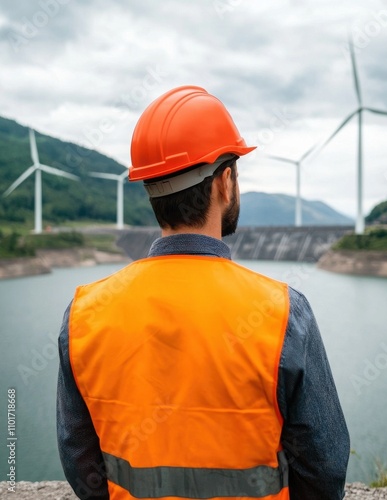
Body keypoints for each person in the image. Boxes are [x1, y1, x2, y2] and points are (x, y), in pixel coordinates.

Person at [57, 86, 350, 500]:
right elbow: (324, 467)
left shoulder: (84, 313)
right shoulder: (285, 313)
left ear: (150, 190)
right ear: (224, 182)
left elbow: (80, 460)